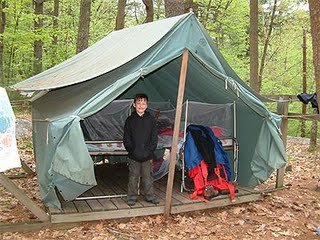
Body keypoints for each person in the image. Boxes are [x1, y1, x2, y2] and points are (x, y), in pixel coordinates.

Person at [123, 93, 159, 206]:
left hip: (147, 155)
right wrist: (131, 149)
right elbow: (126, 137)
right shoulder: (130, 120)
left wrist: (150, 150)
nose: (141, 106)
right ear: (134, 105)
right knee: (133, 177)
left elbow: (154, 138)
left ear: (147, 105)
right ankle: (132, 197)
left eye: (143, 103)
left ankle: (150, 196)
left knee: (148, 177)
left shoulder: (151, 120)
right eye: (138, 103)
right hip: (134, 155)